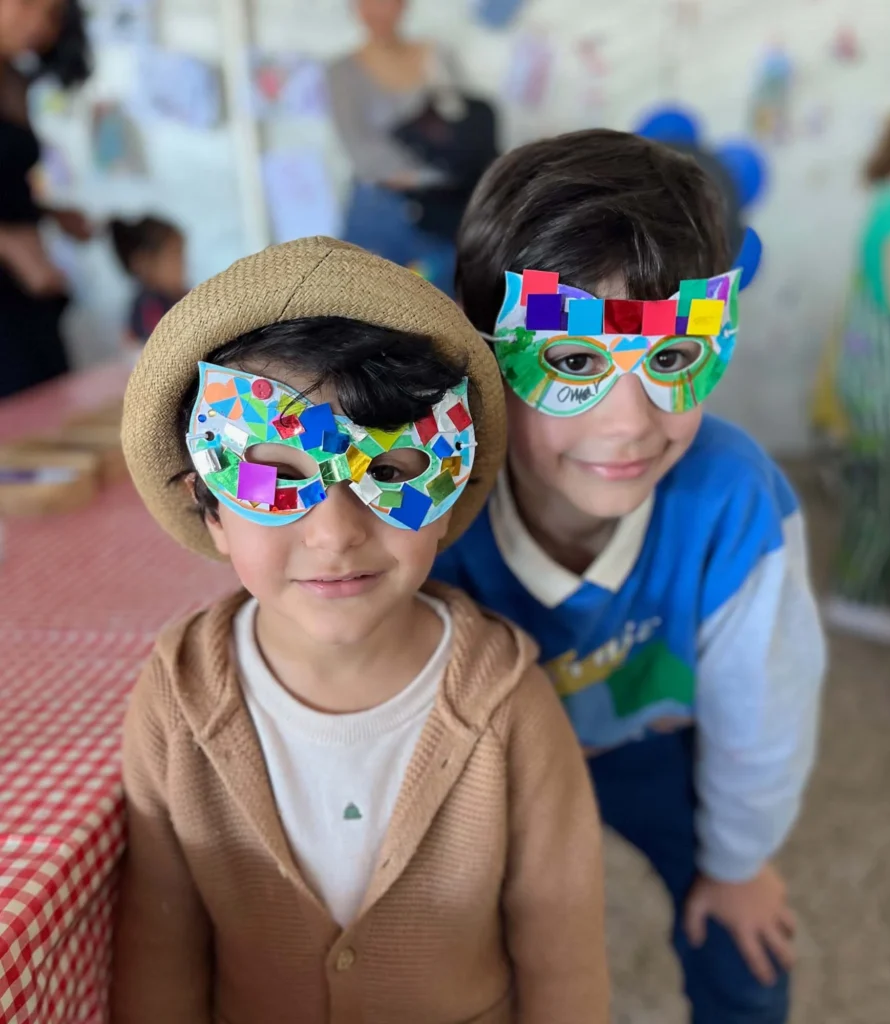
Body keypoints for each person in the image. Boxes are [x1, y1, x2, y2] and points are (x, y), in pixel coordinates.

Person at [112, 236, 609, 1024]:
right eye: (278, 476)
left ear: (447, 499)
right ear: (210, 510)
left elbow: (564, 954)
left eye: (394, 471)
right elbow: (160, 941)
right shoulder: (178, 698)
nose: (336, 533)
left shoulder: (510, 705)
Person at [434, 130, 827, 1024]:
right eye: (572, 363)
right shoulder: (433, 497)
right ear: (483, 352)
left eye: (674, 357)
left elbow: (766, 717)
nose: (630, 423)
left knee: (748, 953)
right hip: (482, 761)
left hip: (651, 741)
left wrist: (739, 864)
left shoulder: (735, 503)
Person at [824, 111, 890, 645]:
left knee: (881, 484)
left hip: (877, 371)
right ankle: (858, 596)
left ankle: (871, 582)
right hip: (889, 378)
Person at [328, 0, 462, 296]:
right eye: (367, 4)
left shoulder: (435, 57)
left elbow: (459, 127)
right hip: (377, 205)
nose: (377, 10)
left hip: (440, 206)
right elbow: (359, 149)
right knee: (364, 302)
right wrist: (424, 172)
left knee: (442, 303)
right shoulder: (341, 72)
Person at [0, 0, 93, 398]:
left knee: (52, 398)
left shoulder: (15, 80)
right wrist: (10, 246)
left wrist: (50, 213)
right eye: (28, 3)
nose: (40, 22)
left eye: (54, 14)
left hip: (28, 286)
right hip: (15, 274)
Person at [108, 215, 187, 345]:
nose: (182, 265)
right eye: (174, 257)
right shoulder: (148, 308)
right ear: (144, 263)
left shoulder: (179, 297)